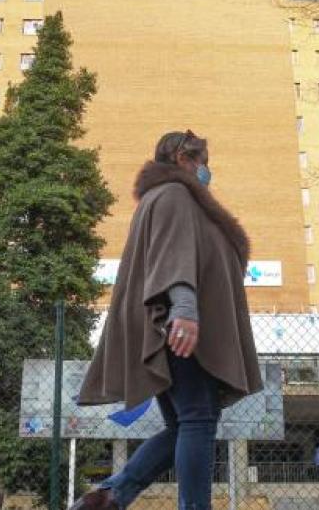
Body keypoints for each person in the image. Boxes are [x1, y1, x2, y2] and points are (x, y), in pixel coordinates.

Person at [71, 130, 263, 510]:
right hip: (176, 326)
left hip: (165, 326)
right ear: (180, 157)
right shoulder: (175, 194)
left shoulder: (164, 198)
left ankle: (111, 496)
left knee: (183, 423)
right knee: (198, 418)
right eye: (201, 160)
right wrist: (185, 310)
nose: (206, 169)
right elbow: (173, 257)